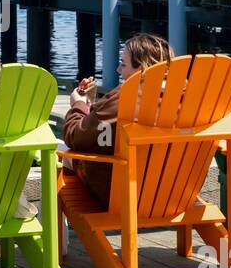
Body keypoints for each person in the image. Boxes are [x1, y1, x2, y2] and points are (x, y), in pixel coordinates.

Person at [63, 33, 173, 205]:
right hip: (171, 194)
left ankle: (60, 228)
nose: (118, 70)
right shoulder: (185, 97)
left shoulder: (127, 97)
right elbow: (105, 129)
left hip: (122, 195)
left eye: (123, 64)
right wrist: (93, 107)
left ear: (142, 68)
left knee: (62, 153)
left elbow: (75, 136)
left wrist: (79, 105)